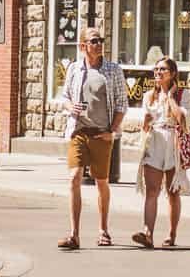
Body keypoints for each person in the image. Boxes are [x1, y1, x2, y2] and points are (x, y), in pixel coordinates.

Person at [57, 26, 127, 250]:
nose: (99, 44)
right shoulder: (75, 69)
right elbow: (65, 95)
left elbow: (121, 103)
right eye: (94, 41)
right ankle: (74, 234)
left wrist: (112, 131)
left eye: (101, 40)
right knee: (74, 178)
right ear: (83, 46)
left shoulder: (112, 70)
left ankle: (103, 230)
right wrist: (71, 107)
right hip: (79, 130)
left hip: (101, 133)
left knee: (101, 182)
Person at [132, 56, 190, 248]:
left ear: (173, 74)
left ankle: (171, 234)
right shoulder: (149, 96)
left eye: (163, 69)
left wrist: (170, 97)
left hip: (173, 143)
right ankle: (147, 233)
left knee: (172, 192)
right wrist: (146, 122)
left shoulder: (183, 94)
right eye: (156, 69)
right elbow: (144, 127)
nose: (158, 73)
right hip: (155, 141)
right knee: (152, 191)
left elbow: (182, 119)